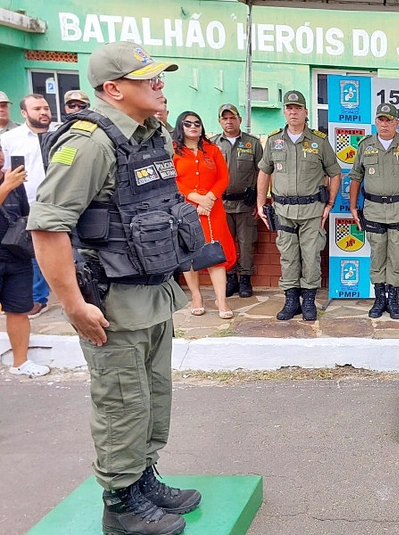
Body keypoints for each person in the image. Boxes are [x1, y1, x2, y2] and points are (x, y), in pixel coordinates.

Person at [28, 41, 201, 535]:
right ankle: (120, 504)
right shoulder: (89, 143)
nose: (159, 84)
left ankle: (143, 478)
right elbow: (47, 227)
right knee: (122, 402)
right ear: (113, 89)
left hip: (152, 296)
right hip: (112, 303)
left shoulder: (150, 137)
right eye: (148, 78)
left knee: (153, 396)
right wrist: (73, 306)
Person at [256, 90, 341, 321]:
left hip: (312, 210)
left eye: (298, 108)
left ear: (305, 112)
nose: (293, 112)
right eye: (289, 108)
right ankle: (291, 300)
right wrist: (261, 202)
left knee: (311, 256)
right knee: (288, 256)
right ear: (284, 112)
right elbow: (265, 171)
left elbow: (335, 173)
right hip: (283, 211)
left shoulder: (319, 142)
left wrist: (330, 203)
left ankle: (309, 300)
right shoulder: (274, 141)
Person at [348, 103, 399, 319]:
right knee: (377, 255)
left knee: (397, 256)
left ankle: (394, 299)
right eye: (381, 119)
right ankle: (379, 298)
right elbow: (355, 177)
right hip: (373, 210)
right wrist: (353, 206)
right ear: (376, 122)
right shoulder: (365, 145)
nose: (384, 124)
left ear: (397, 123)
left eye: (389, 120)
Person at [173, 111, 236, 319]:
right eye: (188, 123)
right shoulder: (173, 151)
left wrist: (208, 199)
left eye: (197, 123)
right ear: (180, 127)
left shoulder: (212, 149)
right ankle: (196, 296)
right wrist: (194, 198)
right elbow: (172, 179)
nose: (193, 127)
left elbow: (223, 177)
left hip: (213, 209)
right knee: (189, 255)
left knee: (215, 253)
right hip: (186, 209)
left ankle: (221, 300)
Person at [1, 94, 52, 319]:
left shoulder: (60, 134)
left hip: (60, 201)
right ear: (24, 113)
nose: (43, 112)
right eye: (37, 108)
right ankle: (38, 298)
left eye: (46, 108)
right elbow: (5, 171)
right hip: (27, 204)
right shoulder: (10, 139)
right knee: (33, 250)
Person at [0, 151, 49, 377]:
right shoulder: (10, 182)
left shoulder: (12, 179)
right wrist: (7, 186)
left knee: (18, 310)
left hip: (16, 255)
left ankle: (20, 362)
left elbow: (24, 214)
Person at [212, 103, 263, 299]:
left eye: (232, 117)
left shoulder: (253, 143)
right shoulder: (213, 144)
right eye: (224, 118)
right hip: (221, 205)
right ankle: (230, 277)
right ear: (219, 121)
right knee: (225, 244)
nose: (229, 121)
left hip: (245, 203)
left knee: (246, 243)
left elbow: (263, 172)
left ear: (239, 120)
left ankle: (245, 279)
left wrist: (260, 201)